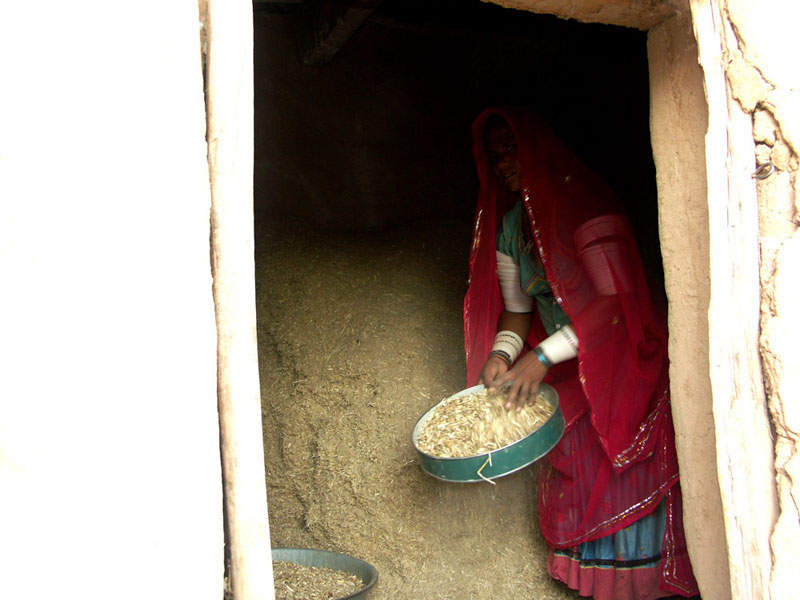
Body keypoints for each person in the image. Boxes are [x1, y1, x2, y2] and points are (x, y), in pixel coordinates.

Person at [463, 107, 698, 600]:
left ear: (535, 146)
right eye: (495, 154)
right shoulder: (512, 226)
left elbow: (617, 300)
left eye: (512, 148)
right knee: (565, 439)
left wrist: (542, 358)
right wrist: (503, 356)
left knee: (611, 450)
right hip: (572, 359)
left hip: (625, 357)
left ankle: (639, 582)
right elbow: (517, 308)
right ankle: (594, 584)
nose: (504, 162)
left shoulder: (582, 202)